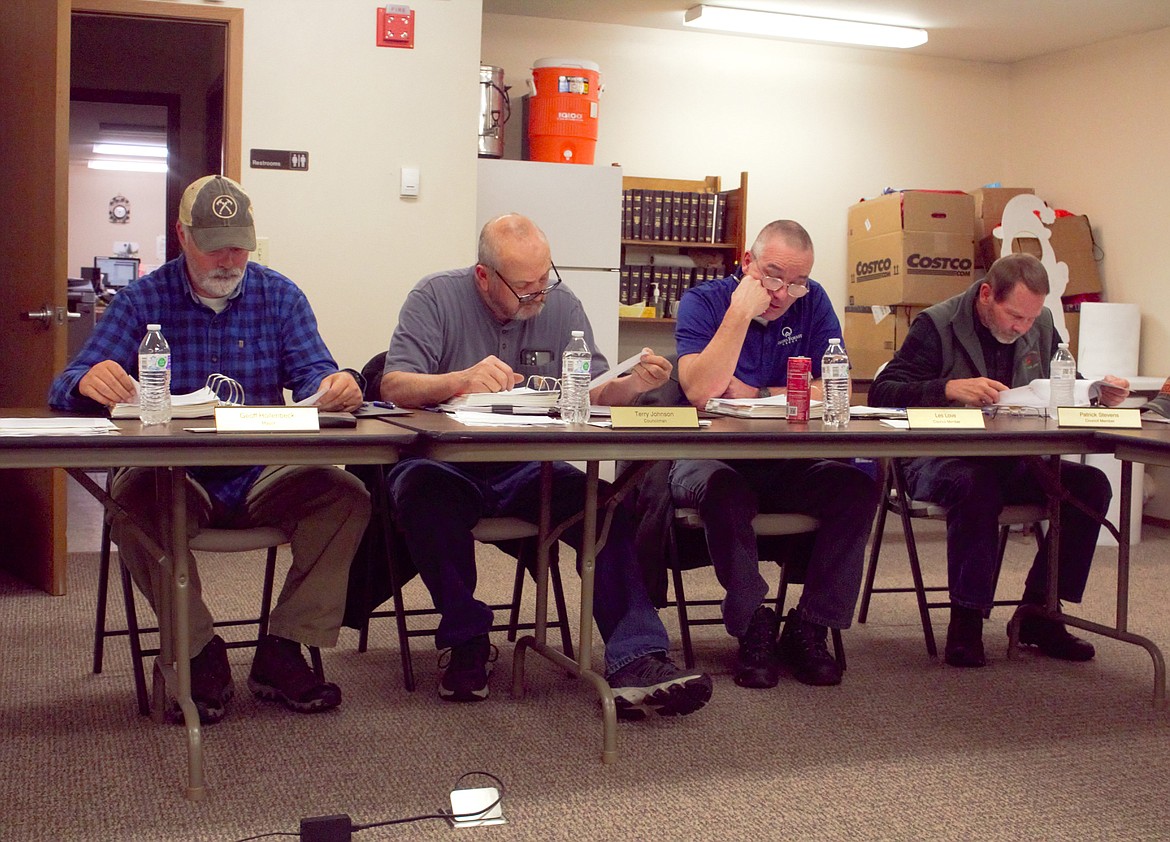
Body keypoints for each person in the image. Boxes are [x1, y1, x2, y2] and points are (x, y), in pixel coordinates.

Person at [49, 175, 371, 722]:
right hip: (175, 476)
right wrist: (87, 380)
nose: (229, 258)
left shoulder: (281, 295)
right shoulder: (142, 299)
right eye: (214, 244)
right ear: (182, 236)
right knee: (131, 504)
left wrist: (337, 384)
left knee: (347, 496)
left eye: (239, 244)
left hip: (264, 473)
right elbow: (64, 384)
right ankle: (197, 649)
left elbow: (316, 374)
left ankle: (284, 646)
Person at [380, 213, 713, 720]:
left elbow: (598, 391)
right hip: (446, 466)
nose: (538, 296)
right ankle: (466, 640)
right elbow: (393, 386)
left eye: (544, 280)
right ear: (484, 277)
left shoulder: (561, 305)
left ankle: (638, 659)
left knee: (604, 509)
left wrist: (634, 385)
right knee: (419, 493)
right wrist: (458, 380)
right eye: (524, 288)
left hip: (528, 468)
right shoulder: (435, 297)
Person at [869, 252, 1130, 668]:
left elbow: (1067, 385)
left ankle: (1040, 615)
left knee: (1090, 486)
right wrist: (948, 387)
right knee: (977, 486)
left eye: (1030, 319)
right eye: (1014, 317)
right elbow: (882, 393)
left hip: (1013, 456)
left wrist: (1099, 392)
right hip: (937, 459)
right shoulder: (937, 324)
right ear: (987, 295)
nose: (1022, 328)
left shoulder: (1040, 325)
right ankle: (967, 620)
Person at [670, 219, 878, 689]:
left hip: (787, 459)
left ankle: (810, 626)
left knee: (856, 488)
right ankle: (752, 624)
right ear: (746, 263)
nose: (783, 292)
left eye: (797, 281)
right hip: (709, 458)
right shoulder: (704, 302)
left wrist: (759, 391)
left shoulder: (814, 302)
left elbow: (835, 385)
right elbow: (701, 391)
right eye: (772, 276)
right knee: (725, 492)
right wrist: (739, 314)